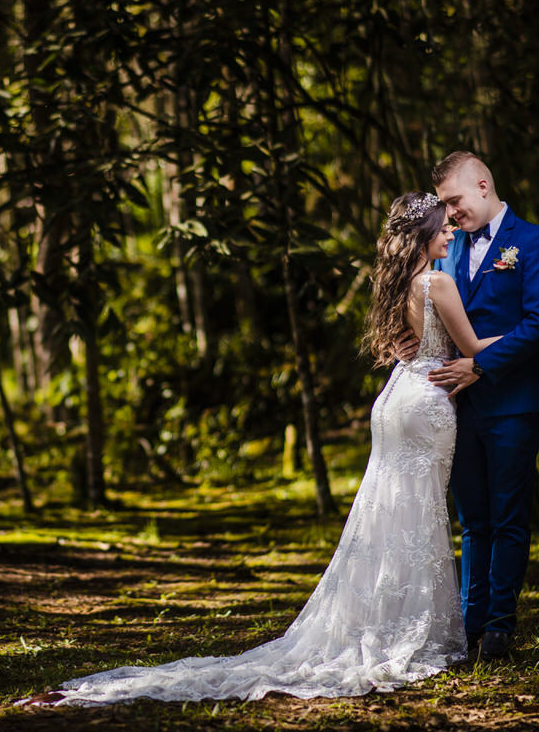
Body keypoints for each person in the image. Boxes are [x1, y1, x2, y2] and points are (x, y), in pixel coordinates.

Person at [25, 192, 499, 705]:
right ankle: (407, 628)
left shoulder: (397, 282)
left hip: (395, 400)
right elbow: (472, 349)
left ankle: (384, 619)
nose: (451, 233)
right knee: (417, 515)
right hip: (425, 403)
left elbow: (396, 345)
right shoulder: (437, 281)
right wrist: (528, 335)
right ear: (424, 233)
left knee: (388, 514)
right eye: (443, 228)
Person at [426, 151, 539, 660]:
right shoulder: (446, 250)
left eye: (453, 201)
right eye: (443, 205)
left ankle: (500, 627)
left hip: (514, 402)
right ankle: (470, 623)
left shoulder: (533, 241)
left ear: (482, 185)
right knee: (472, 519)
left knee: (507, 517)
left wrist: (480, 365)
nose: (450, 213)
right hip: (457, 405)